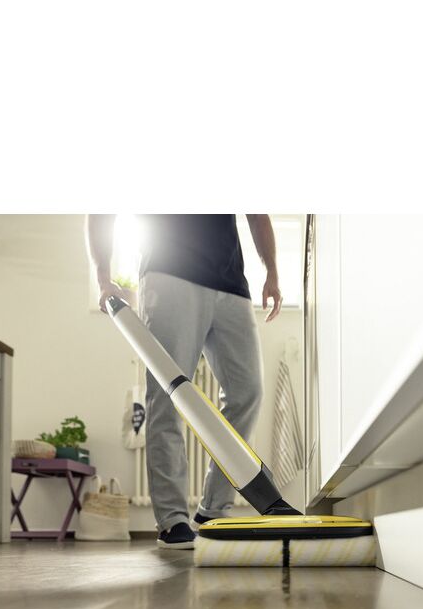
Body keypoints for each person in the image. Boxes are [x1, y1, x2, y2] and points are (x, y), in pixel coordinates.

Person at [87, 214, 282, 549]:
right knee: (167, 395)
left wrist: (272, 273)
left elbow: (257, 214)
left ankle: (212, 511)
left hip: (231, 283)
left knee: (248, 393)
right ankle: (172, 519)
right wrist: (103, 278)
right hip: (168, 272)